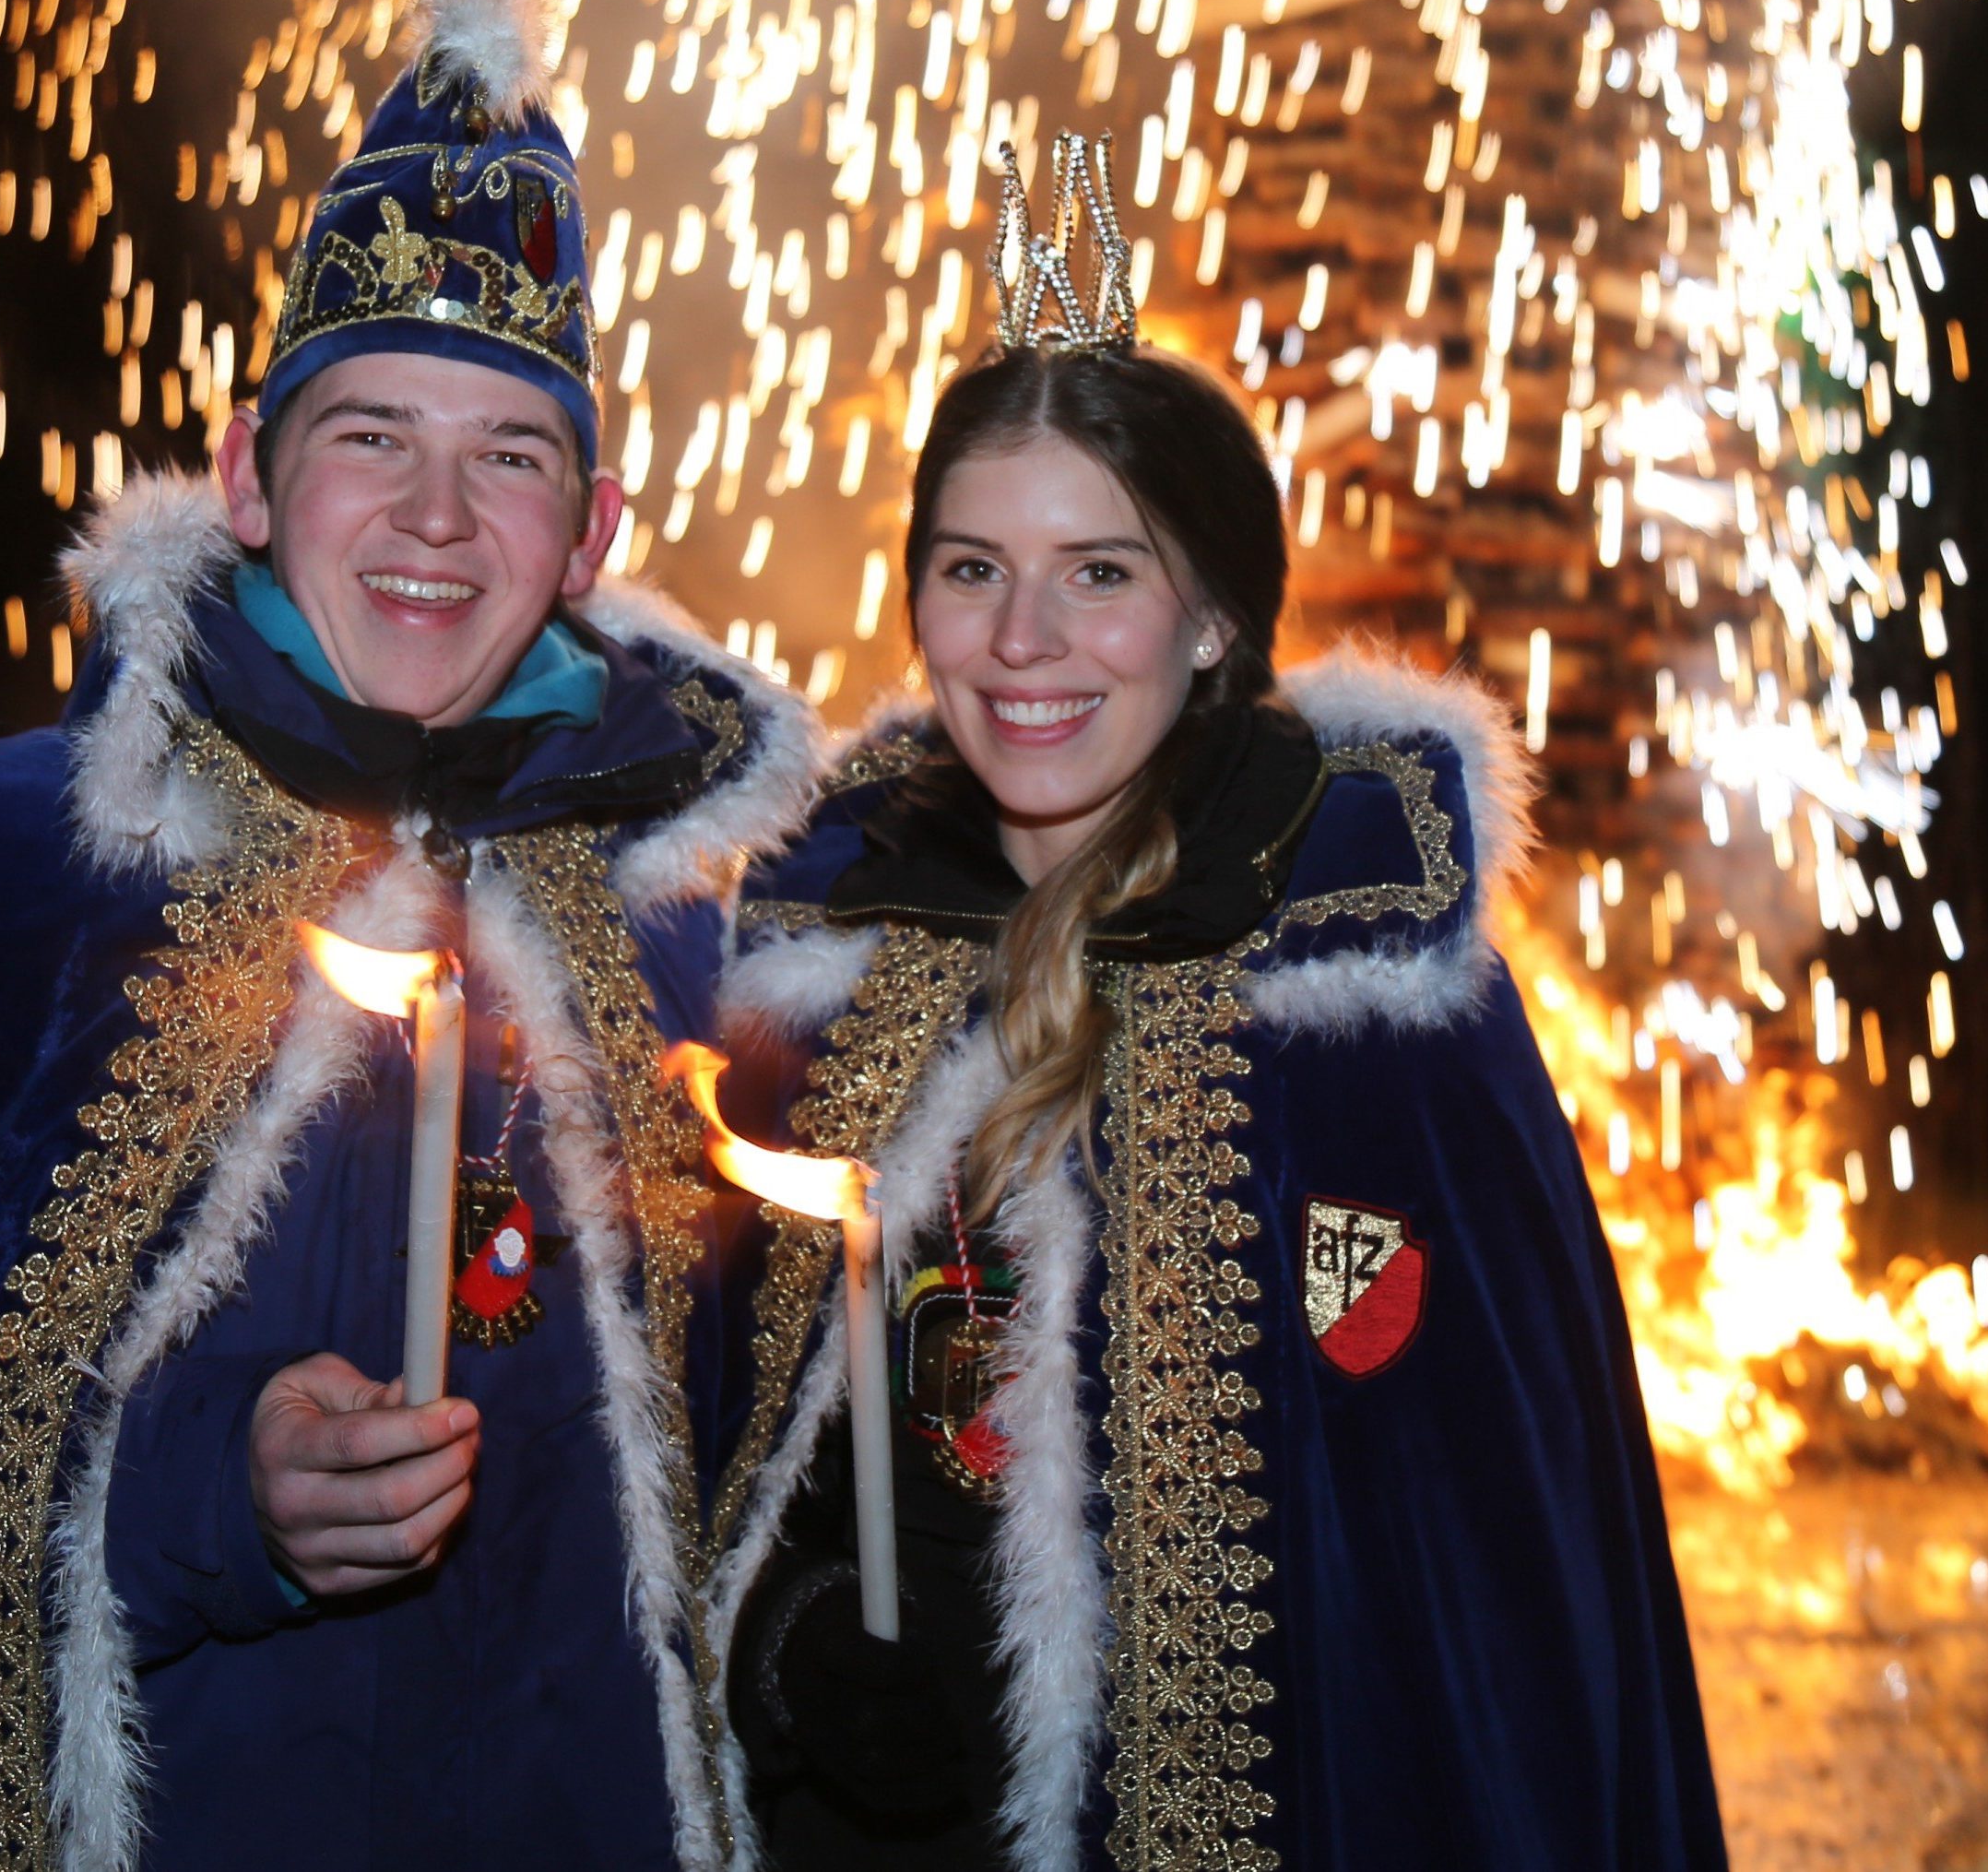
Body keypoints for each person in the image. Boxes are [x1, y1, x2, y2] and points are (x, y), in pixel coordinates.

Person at [0, 0, 817, 1872]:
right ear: (245, 473)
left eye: (511, 457)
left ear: (595, 536)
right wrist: (220, 1494)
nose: (439, 518)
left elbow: (773, 1505)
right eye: (373, 433)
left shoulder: (693, 966)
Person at [700, 141, 1727, 1871]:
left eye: (1101, 571)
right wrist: (799, 1658)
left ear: (1210, 623)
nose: (1024, 638)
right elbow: (725, 1457)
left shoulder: (1377, 1019)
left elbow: (1492, 1583)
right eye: (971, 569)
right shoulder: (825, 984)